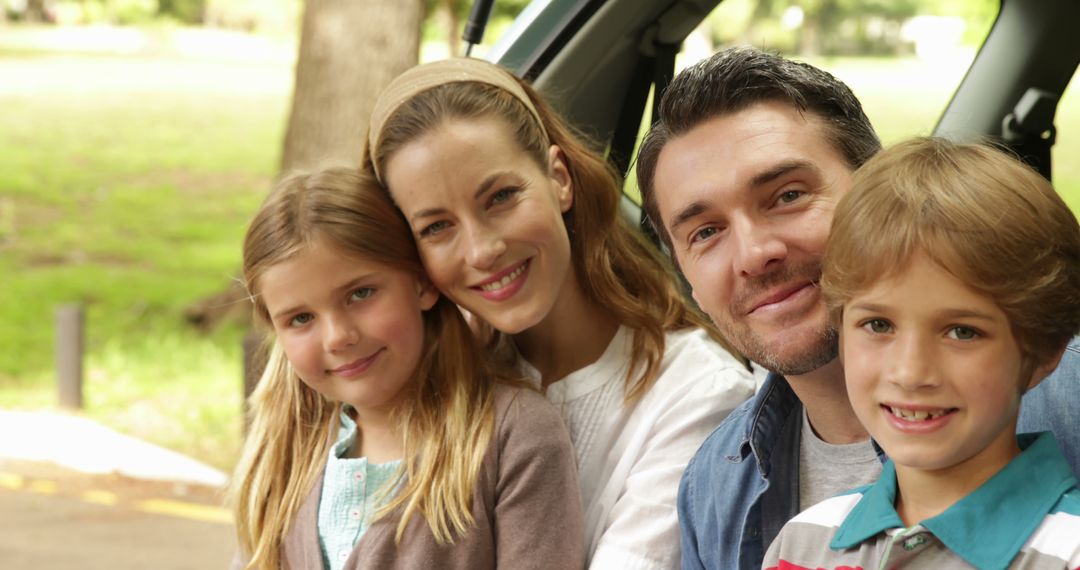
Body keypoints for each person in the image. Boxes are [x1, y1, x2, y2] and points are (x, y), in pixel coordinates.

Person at [634, 46, 1080, 570]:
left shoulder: (1068, 397)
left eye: (788, 195)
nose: (755, 254)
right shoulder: (714, 485)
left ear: (878, 190)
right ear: (685, 274)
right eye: (705, 232)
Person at [364, 57, 757, 568]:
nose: (482, 250)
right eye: (437, 227)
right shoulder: (429, 381)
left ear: (559, 178)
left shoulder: (697, 394)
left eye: (501, 196)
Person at [227, 167, 584, 570]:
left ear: (421, 284)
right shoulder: (285, 449)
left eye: (360, 294)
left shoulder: (512, 435)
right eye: (300, 319)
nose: (337, 337)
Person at [763, 137, 1080, 569]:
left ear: (1045, 350)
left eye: (962, 332)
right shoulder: (800, 544)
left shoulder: (1067, 552)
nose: (910, 372)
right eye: (878, 325)